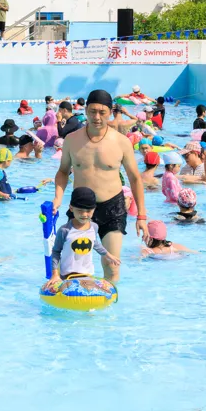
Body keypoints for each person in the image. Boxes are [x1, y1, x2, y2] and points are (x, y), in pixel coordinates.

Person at [53, 89, 147, 283]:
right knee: (72, 270)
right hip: (81, 209)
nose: (97, 117)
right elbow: (63, 171)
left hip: (112, 207)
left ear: (110, 112)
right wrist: (58, 198)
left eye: (102, 112)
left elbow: (135, 179)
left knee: (111, 267)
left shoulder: (121, 142)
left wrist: (142, 216)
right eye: (93, 111)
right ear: (86, 110)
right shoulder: (72, 140)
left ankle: (109, 313)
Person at [45, 187, 119, 286]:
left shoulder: (94, 227)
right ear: (71, 208)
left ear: (94, 209)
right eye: (80, 210)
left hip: (87, 274)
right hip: (67, 274)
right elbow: (56, 251)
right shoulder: (65, 230)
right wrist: (55, 274)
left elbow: (94, 242)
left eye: (88, 211)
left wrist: (108, 255)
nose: (84, 214)